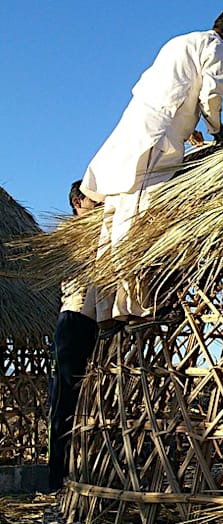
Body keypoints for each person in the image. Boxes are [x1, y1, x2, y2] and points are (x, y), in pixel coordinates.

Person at [79, 8, 223, 327]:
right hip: (156, 138)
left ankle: (101, 309)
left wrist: (190, 127)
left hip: (137, 128)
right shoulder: (215, 45)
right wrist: (218, 129)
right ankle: (131, 308)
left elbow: (170, 91)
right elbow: (211, 92)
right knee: (135, 219)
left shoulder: (179, 42)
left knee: (114, 217)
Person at [47, 181, 101, 490]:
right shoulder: (71, 235)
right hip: (73, 318)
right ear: (79, 201)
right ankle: (57, 478)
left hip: (95, 319)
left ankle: (80, 471)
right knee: (64, 397)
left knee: (88, 398)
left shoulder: (104, 229)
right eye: (93, 197)